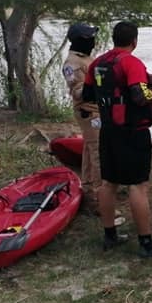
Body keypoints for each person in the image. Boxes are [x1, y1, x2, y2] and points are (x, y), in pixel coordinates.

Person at [82, 21, 152, 258]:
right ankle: (146, 244)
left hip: (108, 131)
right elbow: (140, 96)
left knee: (109, 183)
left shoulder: (98, 63)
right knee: (138, 185)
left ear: (114, 39)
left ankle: (110, 236)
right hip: (132, 132)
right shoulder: (131, 62)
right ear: (134, 40)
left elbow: (88, 94)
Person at [62, 22, 102, 213]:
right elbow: (78, 91)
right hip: (89, 112)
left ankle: (88, 190)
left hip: (96, 110)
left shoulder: (85, 58)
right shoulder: (73, 63)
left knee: (89, 150)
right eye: (89, 38)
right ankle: (100, 199)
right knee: (98, 153)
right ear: (79, 41)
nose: (93, 42)